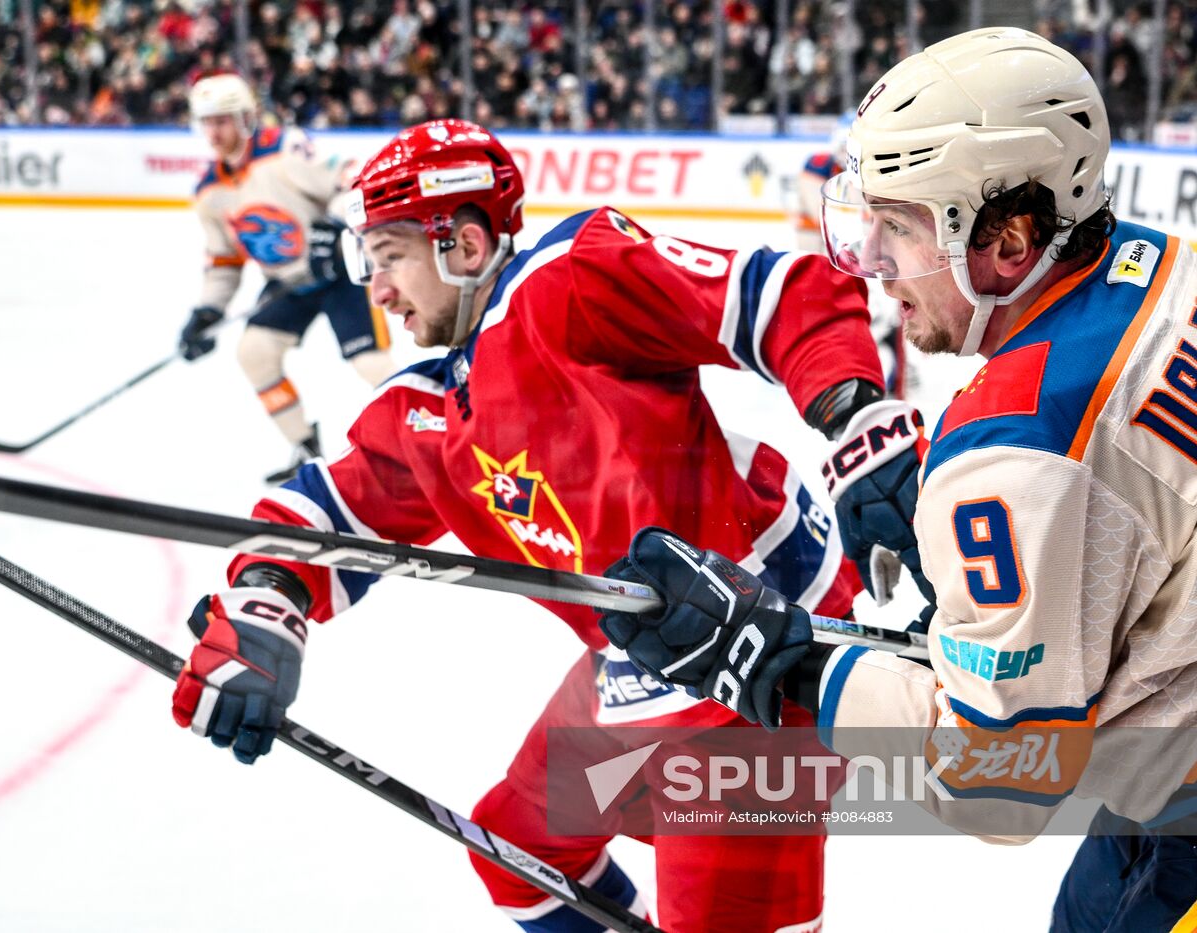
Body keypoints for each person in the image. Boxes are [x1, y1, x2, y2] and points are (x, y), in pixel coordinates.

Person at [168, 118, 890, 932]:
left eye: (391, 257)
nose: (377, 290)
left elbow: (782, 295)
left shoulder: (572, 281)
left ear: (465, 246)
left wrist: (857, 422)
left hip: (762, 655)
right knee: (518, 851)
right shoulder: (430, 410)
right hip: (648, 660)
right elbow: (329, 509)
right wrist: (268, 603)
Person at [598, 28, 1197, 932]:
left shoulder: (1015, 445)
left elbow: (1000, 778)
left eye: (903, 227)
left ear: (1009, 237)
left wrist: (790, 669)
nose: (871, 264)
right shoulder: (1165, 267)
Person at [178, 73, 395, 483]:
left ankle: (430, 444)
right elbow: (224, 260)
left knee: (371, 363)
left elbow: (350, 179)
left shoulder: (282, 148)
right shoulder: (208, 191)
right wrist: (207, 311)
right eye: (206, 122)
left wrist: (332, 226)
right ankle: (306, 450)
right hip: (287, 282)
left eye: (222, 120)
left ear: (245, 118)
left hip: (339, 271)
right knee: (254, 353)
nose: (214, 131)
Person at [795, 110, 908, 399]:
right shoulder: (818, 165)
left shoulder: (866, 171)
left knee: (876, 306)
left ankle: (886, 361)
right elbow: (816, 208)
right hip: (818, 243)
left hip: (851, 246)